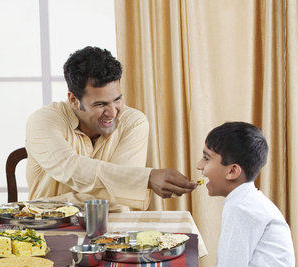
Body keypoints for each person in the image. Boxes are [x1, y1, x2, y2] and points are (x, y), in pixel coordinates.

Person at [25, 46, 196, 211]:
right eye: (100, 104)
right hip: (47, 231)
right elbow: (71, 168)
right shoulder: (43, 122)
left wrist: (46, 206)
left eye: (117, 100)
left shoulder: (133, 122)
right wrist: (146, 179)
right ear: (73, 100)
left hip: (113, 230)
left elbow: (117, 201)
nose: (113, 112)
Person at [193, 122, 294, 267]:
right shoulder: (246, 202)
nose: (199, 165)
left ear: (232, 171)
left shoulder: (243, 209)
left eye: (207, 158)